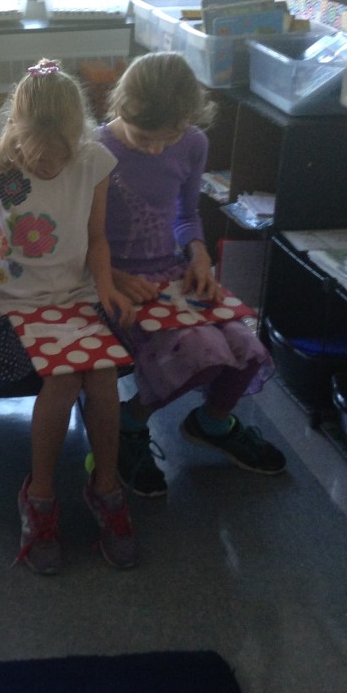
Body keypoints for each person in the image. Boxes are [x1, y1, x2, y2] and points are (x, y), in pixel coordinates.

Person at [0, 58, 136, 575]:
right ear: (16, 130)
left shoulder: (93, 162)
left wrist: (106, 286)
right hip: (16, 307)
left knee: (102, 377)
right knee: (63, 378)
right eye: (38, 155)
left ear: (79, 135)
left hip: (76, 300)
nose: (49, 165)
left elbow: (96, 237)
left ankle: (106, 487)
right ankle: (41, 496)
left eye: (60, 154)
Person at [97, 51, 284, 498]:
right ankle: (128, 424)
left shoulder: (193, 143)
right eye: (145, 138)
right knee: (202, 354)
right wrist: (113, 276)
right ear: (122, 107)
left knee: (246, 348)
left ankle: (212, 423)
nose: (156, 149)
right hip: (111, 283)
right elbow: (76, 236)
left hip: (172, 273)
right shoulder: (96, 151)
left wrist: (199, 255)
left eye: (170, 137)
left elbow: (185, 216)